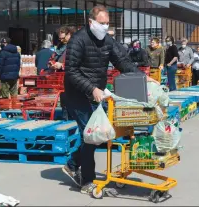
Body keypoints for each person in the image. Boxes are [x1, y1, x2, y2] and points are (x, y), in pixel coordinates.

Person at [62, 5, 141, 194]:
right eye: (101, 23)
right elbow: (71, 71)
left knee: (98, 134)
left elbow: (123, 61)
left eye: (107, 23)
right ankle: (87, 181)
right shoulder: (78, 40)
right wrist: (91, 88)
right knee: (90, 135)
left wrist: (142, 78)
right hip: (77, 94)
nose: (105, 27)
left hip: (96, 93)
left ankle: (72, 164)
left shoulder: (107, 41)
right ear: (91, 22)